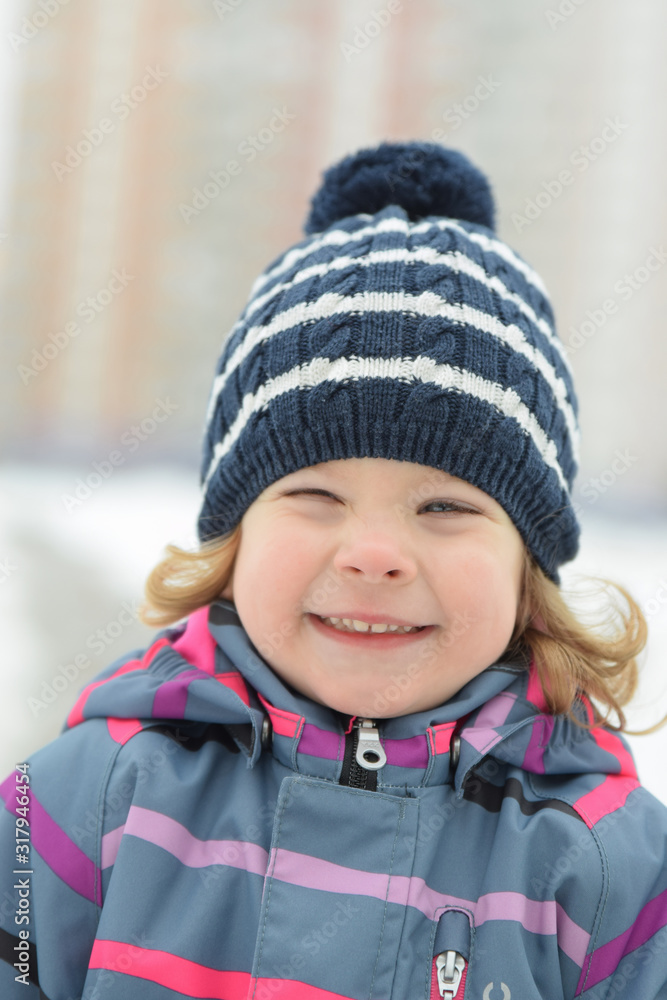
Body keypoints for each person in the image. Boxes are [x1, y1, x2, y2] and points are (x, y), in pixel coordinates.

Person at [1, 140, 666, 1000]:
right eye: (316, 495)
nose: (374, 554)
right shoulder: (79, 805)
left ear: (526, 570)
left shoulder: (608, 873)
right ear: (235, 538)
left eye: (444, 507)